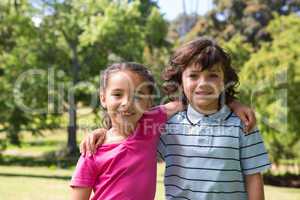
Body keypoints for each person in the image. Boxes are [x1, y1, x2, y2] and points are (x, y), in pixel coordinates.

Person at [80, 38, 270, 200]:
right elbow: (127, 126)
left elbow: (254, 178)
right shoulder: (166, 125)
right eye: (193, 76)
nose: (203, 83)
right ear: (180, 81)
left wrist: (233, 103)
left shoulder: (243, 124)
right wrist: (102, 132)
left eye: (212, 75)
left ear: (224, 81)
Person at [70, 62, 184, 200]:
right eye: (118, 94)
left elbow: (184, 102)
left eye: (138, 96)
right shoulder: (92, 149)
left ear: (148, 102)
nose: (127, 103)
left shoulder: (150, 123)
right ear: (103, 98)